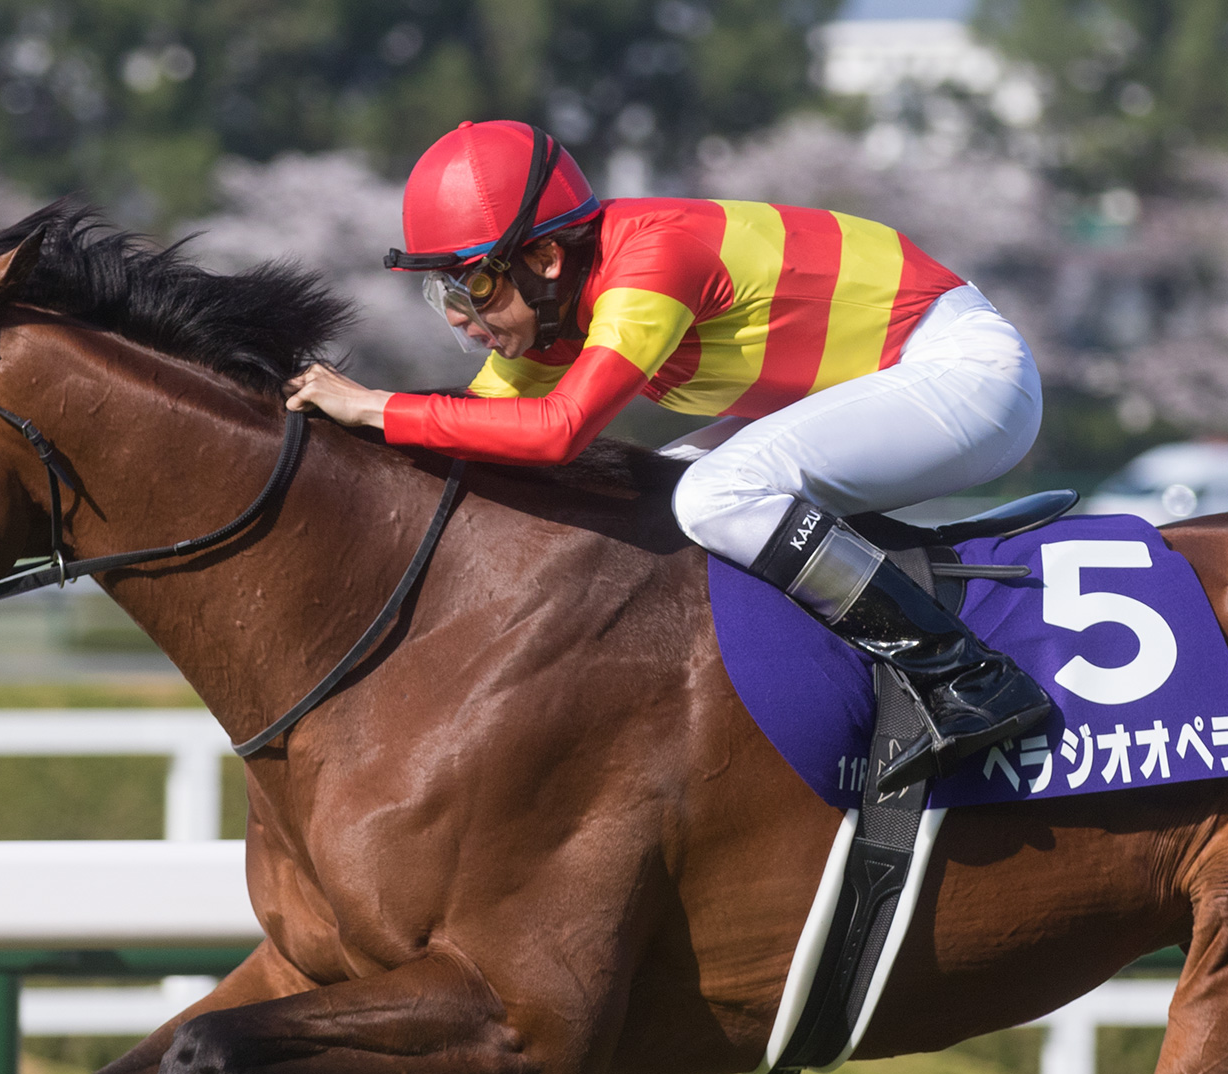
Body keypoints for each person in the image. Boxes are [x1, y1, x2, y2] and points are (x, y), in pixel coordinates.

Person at [282, 120, 1054, 792]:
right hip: (888, 374)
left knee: (713, 497)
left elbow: (556, 432)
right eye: (445, 295)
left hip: (966, 372)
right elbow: (479, 427)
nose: (467, 321)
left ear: (546, 256)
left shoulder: (653, 260)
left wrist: (375, 403)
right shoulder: (555, 305)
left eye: (474, 286)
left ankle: (968, 676)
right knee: (659, 495)